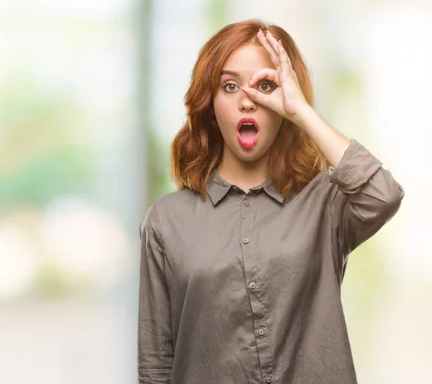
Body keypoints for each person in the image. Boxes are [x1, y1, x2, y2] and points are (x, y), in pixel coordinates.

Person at [138, 19, 404, 384]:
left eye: (265, 85)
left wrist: (301, 111)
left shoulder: (325, 202)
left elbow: (382, 195)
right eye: (229, 86)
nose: (248, 100)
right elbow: (155, 365)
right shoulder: (165, 221)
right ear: (210, 105)